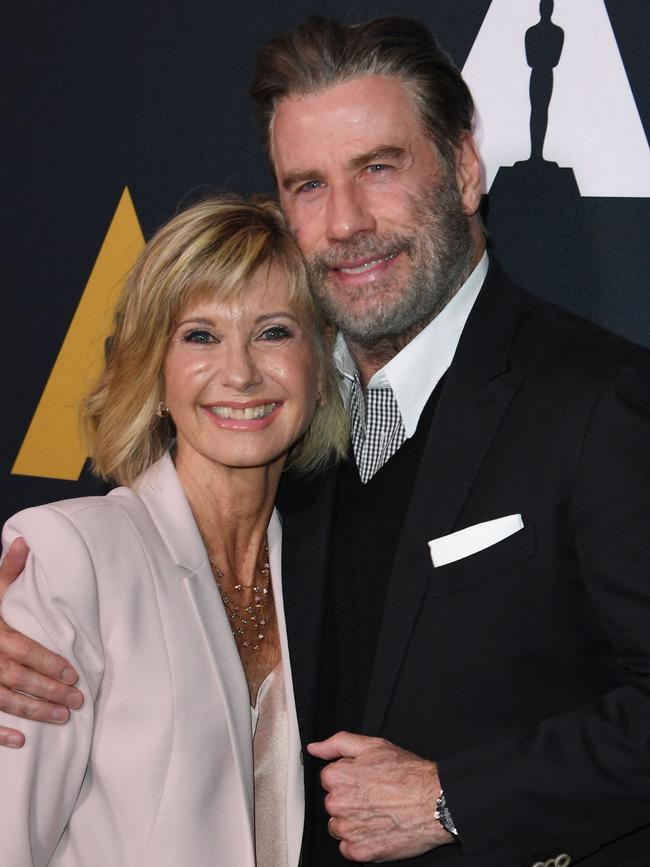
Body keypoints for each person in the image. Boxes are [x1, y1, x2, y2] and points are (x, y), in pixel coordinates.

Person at [1, 14, 650, 867]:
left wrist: (458, 799)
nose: (343, 223)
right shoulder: (285, 427)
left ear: (461, 170)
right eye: (307, 184)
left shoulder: (597, 398)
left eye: (377, 169)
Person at [0, 194, 346, 866]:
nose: (241, 372)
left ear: (321, 366)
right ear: (155, 372)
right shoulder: (76, 560)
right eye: (200, 335)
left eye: (274, 331)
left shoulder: (328, 568)